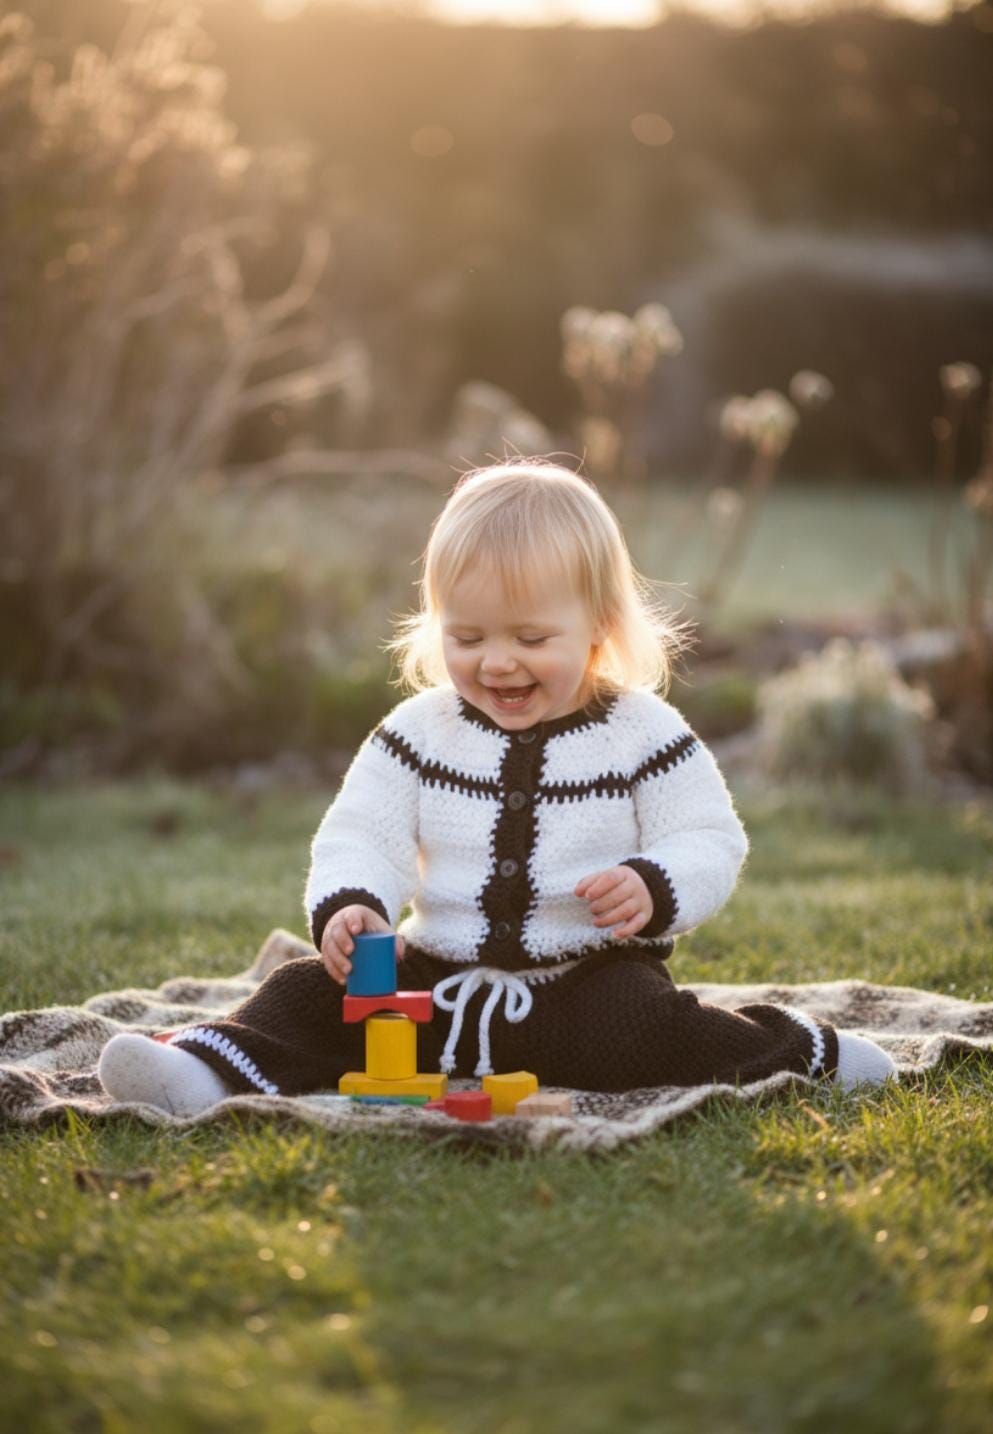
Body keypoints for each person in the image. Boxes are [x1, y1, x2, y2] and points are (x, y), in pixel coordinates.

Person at [99, 459, 896, 1115]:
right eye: (467, 636)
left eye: (531, 637)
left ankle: (806, 1054)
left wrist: (655, 885)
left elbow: (708, 837)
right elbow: (362, 831)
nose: (497, 662)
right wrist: (352, 903)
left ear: (598, 625)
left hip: (589, 985)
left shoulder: (642, 733)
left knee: (654, 1029)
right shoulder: (417, 733)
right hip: (431, 987)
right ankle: (201, 1072)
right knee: (303, 994)